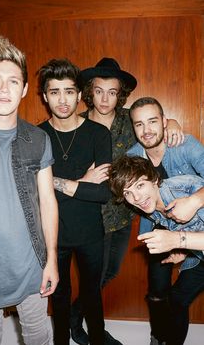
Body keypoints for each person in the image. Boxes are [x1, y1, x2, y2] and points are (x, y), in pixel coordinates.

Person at [70, 58, 184, 345]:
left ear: (119, 93)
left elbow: (151, 127)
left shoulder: (128, 119)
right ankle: (79, 324)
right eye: (99, 91)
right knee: (94, 277)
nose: (105, 98)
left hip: (121, 214)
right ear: (90, 92)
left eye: (112, 91)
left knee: (110, 272)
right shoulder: (78, 124)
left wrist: (171, 122)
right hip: (90, 215)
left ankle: (76, 314)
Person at [0, 37, 59, 345]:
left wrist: (52, 259)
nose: (4, 90)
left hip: (31, 265)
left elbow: (48, 202)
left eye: (13, 81)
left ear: (23, 89)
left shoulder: (39, 139)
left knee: (40, 337)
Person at [38, 58, 112, 345]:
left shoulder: (97, 134)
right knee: (59, 300)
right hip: (52, 235)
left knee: (93, 298)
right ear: (45, 97)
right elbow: (32, 193)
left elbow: (103, 193)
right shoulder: (36, 136)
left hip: (90, 234)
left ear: (80, 95)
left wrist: (53, 182)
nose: (63, 99)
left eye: (69, 91)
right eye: (54, 92)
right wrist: (80, 182)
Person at [127, 96, 204, 345]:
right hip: (163, 227)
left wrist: (194, 201)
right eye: (139, 124)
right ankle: (159, 334)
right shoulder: (133, 156)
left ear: (163, 121)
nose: (146, 130)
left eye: (152, 121)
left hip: (197, 217)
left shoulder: (184, 145)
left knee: (179, 295)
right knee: (159, 292)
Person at [109, 155, 204, 345]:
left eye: (139, 185)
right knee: (178, 298)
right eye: (127, 192)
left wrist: (194, 202)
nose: (136, 198)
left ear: (154, 180)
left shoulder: (182, 189)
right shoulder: (150, 208)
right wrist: (183, 248)